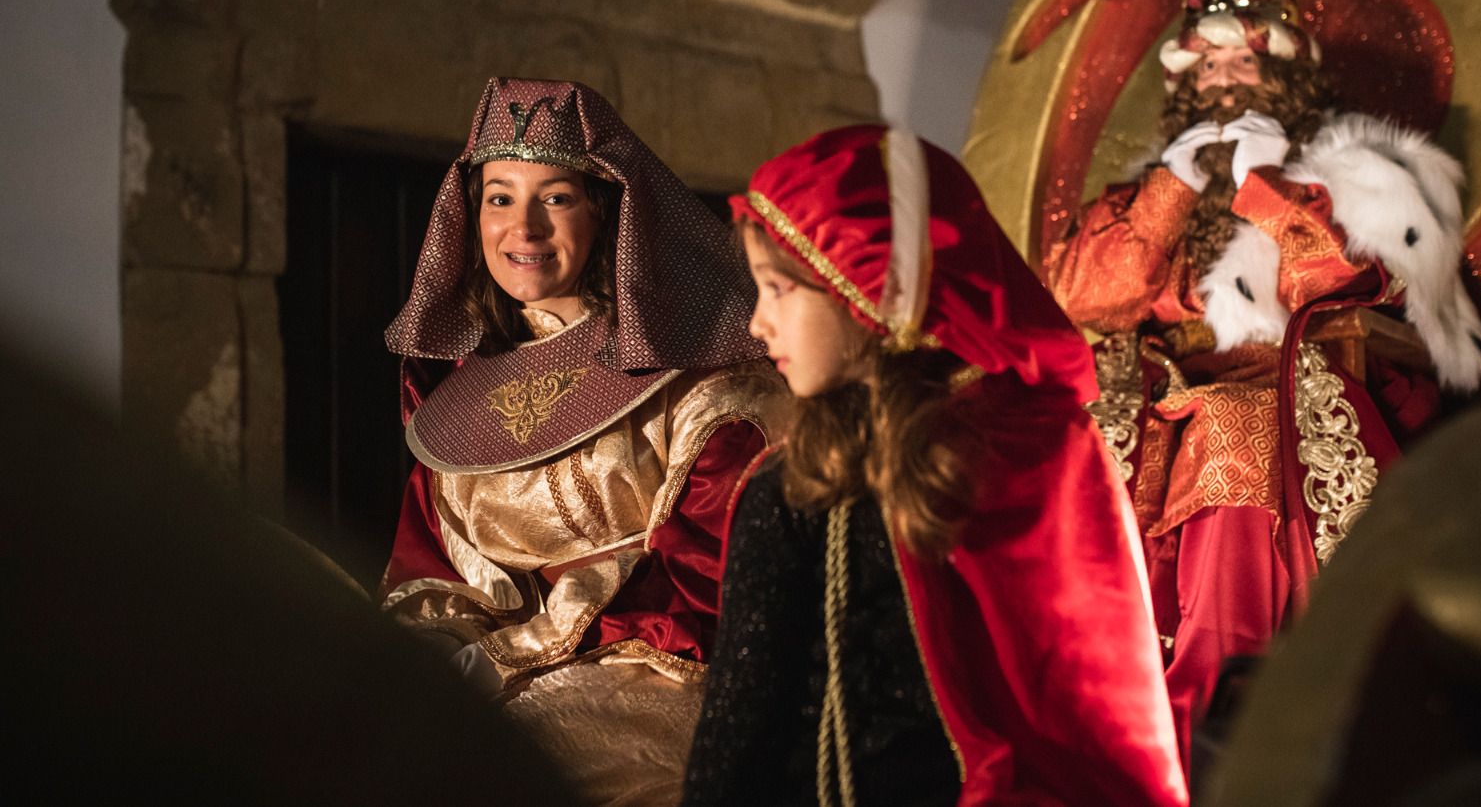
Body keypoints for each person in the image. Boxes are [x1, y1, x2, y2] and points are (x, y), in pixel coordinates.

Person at [1043, 0, 1481, 767]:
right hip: (1162, 393)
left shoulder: (1350, 174)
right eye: (1204, 64)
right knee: (1075, 446)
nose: (1219, 78)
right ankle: (1104, 710)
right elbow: (1081, 297)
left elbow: (1349, 285)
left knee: (1230, 426)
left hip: (1292, 387)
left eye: (1239, 58)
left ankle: (1216, 712)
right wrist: (1173, 188)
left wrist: (1270, 187)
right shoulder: (1150, 191)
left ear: (1282, 70)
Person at [681, 125, 1188, 806]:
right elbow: (740, 735)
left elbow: (1095, 702)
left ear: (864, 284)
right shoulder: (801, 490)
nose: (757, 323)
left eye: (778, 289)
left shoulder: (1032, 453)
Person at [379, 78, 784, 804]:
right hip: (491, 686)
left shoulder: (701, 378)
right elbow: (432, 571)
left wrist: (511, 655)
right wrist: (430, 657)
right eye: (499, 198)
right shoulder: (461, 398)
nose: (523, 229)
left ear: (604, 208)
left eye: (556, 197)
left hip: (657, 678)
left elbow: (713, 579)